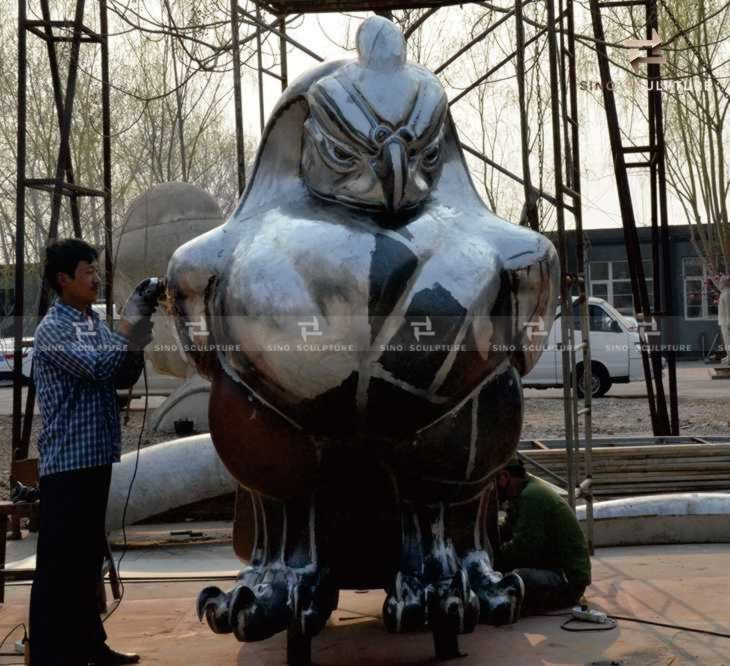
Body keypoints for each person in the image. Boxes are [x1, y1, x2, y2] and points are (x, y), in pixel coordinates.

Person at [29, 238, 163, 666]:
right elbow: (104, 366)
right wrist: (129, 321)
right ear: (63, 279)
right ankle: (50, 654)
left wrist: (137, 332)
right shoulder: (56, 328)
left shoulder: (91, 321)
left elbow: (121, 371)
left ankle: (90, 646)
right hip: (67, 463)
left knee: (87, 561)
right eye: (87, 271)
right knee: (58, 566)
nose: (95, 278)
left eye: (95, 270)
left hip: (95, 455)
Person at [494, 457, 591, 615]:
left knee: (515, 579)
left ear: (504, 477)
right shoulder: (522, 494)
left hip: (568, 581)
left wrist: (492, 561)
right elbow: (506, 531)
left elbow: (523, 549)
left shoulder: (531, 496)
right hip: (554, 569)